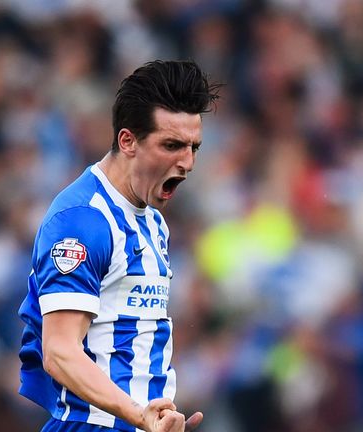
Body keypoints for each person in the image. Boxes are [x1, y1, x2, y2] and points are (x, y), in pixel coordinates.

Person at [18, 60, 220, 432]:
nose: (187, 162)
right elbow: (59, 353)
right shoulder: (83, 220)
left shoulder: (153, 221)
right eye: (172, 145)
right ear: (127, 141)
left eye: (194, 147)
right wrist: (135, 413)